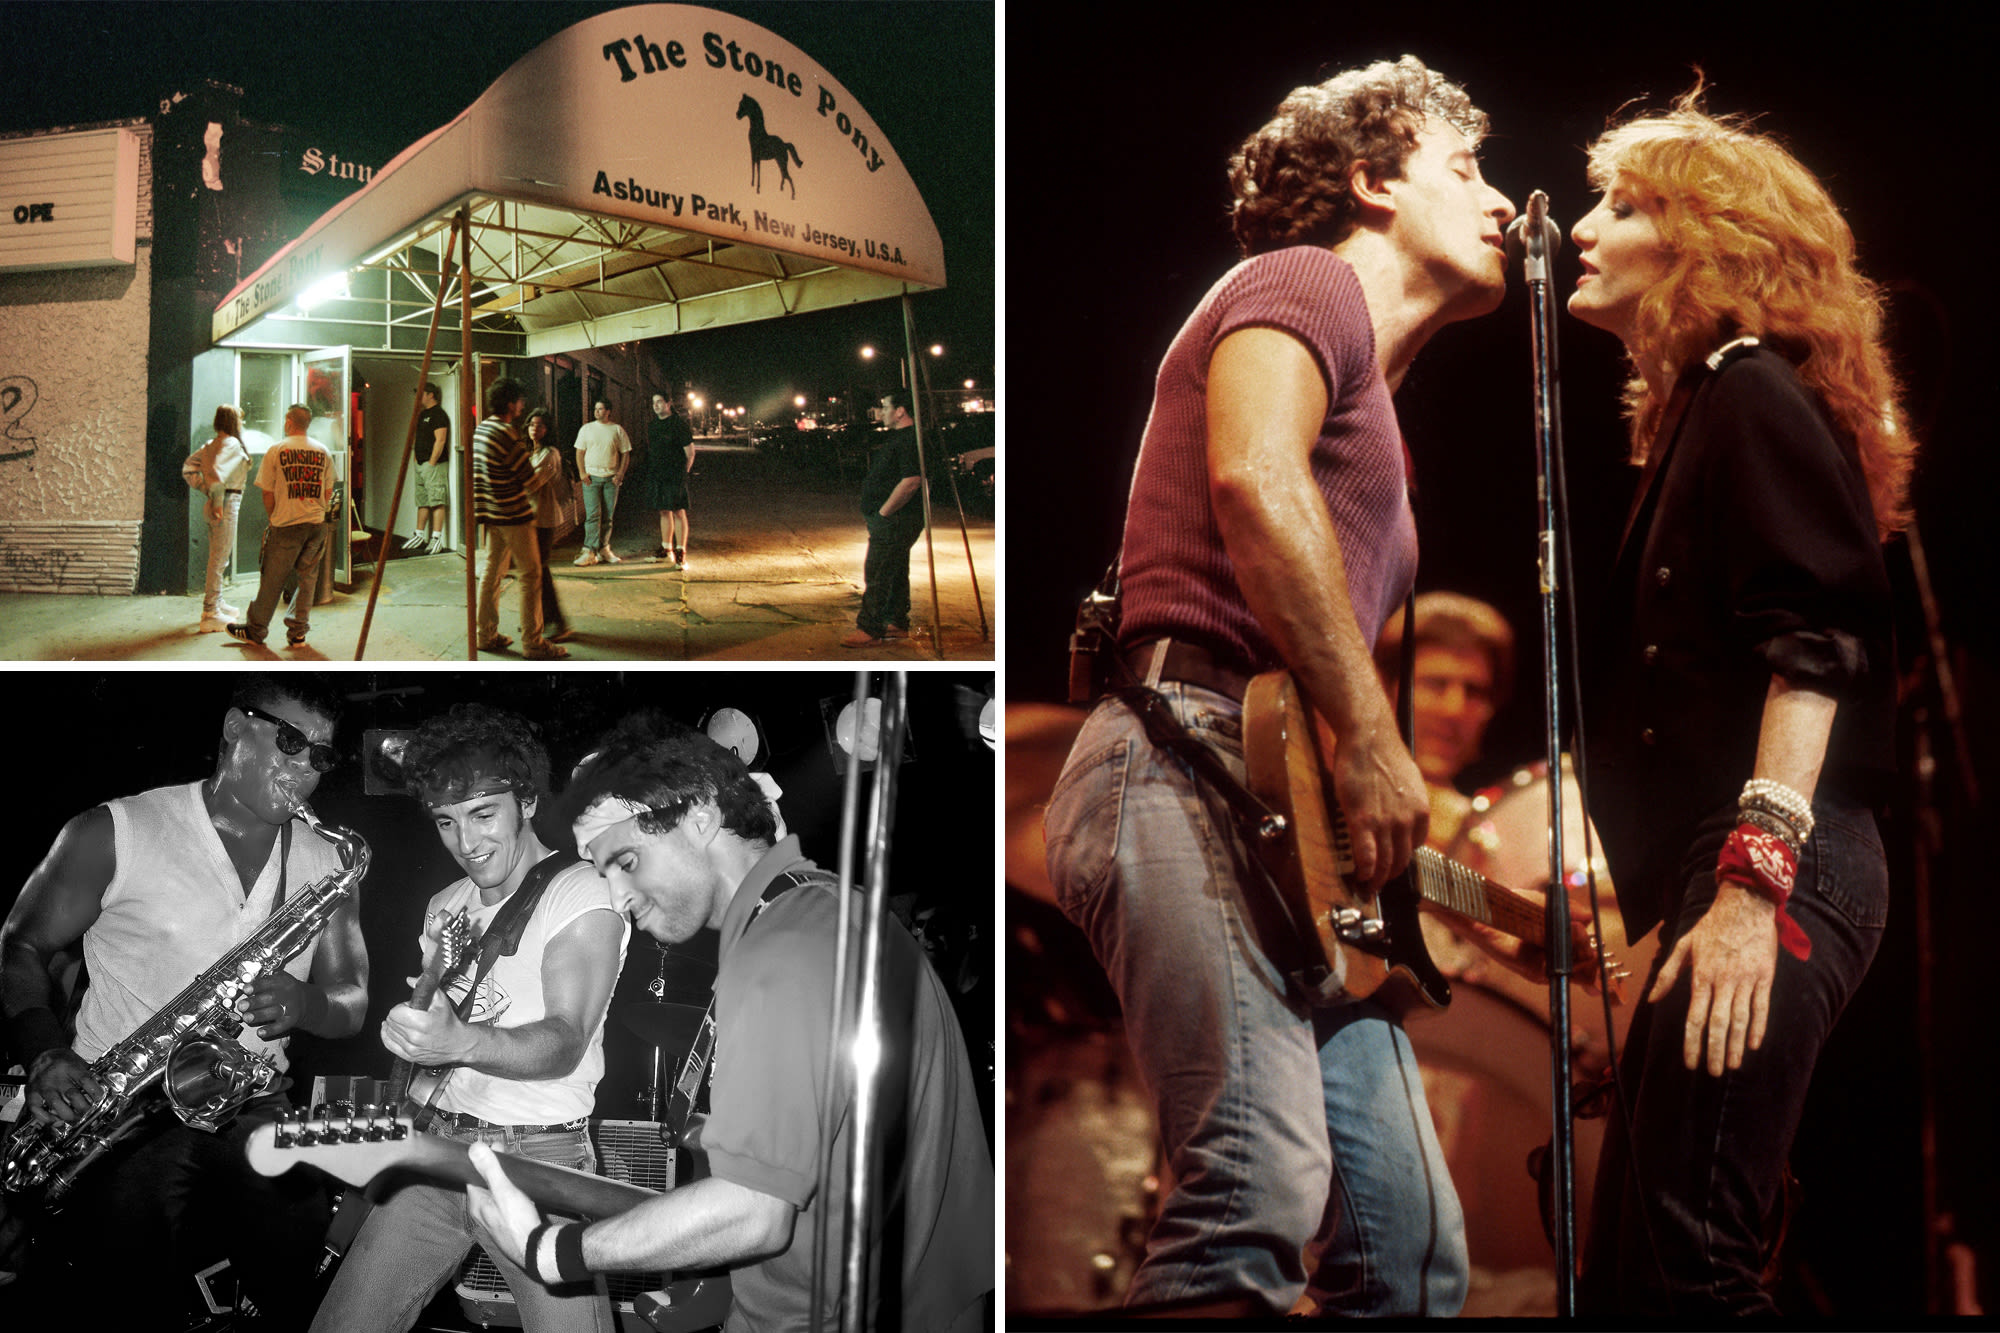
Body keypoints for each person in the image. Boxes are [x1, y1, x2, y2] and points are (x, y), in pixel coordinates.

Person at [1041, 56, 1520, 1317]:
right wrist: (1372, 741)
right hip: (1181, 757)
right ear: (1370, 182)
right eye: (1463, 168)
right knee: (1247, 1197)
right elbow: (1255, 483)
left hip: (1270, 808)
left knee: (1410, 1258)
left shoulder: (1383, 415)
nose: (1498, 200)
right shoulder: (1298, 282)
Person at [1559, 86, 1912, 1316]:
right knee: (1633, 1279)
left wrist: (1752, 882)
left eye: (1621, 203)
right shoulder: (1709, 407)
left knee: (1689, 1262)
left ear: (1703, 244)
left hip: (1780, 863)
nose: (1582, 227)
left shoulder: (1749, 388)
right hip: (1731, 871)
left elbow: (1813, 644)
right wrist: (1668, 932)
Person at [460, 715, 993, 1332]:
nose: (617, 898)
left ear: (701, 816)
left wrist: (548, 1250)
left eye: (626, 861)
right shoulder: (830, 913)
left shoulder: (784, 950)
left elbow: (753, 1212)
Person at [0, 678, 368, 1327]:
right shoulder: (118, 827)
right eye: (290, 741)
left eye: (321, 756)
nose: (305, 769)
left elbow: (352, 999)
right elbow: (22, 943)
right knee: (125, 1282)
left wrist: (307, 1002)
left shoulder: (330, 862)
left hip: (249, 1102)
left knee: (298, 1250)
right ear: (234, 727)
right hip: (115, 1106)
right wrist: (43, 1051)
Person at [309, 703, 630, 1333]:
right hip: (440, 1149)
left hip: (539, 1159)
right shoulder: (444, 904)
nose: (466, 843)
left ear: (528, 801)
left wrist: (459, 1038)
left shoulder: (582, 890)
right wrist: (414, 1040)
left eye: (484, 814)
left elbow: (563, 1042)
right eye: (446, 822)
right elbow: (435, 1046)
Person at [1372, 590, 1515, 848]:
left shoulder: (1499, 835)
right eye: (1435, 684)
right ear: (1384, 690)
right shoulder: (1340, 800)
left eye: (1474, 691)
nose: (1454, 710)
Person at [474, 378, 569, 661]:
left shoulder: (481, 430)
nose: (522, 406)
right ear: (510, 403)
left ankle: (486, 634)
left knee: (492, 573)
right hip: (514, 515)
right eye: (520, 401)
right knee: (531, 575)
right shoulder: (507, 433)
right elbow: (529, 480)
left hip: (491, 514)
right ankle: (534, 642)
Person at [227, 403, 332, 649]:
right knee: (308, 580)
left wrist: (274, 518)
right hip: (316, 524)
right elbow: (327, 491)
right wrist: (317, 510)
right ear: (307, 424)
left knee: (273, 579)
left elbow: (267, 492)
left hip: (286, 524)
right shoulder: (323, 451)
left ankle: (255, 630)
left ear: (288, 422)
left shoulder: (276, 450)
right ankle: (298, 633)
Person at [840, 388, 925, 648]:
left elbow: (912, 481)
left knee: (876, 571)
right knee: (896, 570)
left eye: (886, 406)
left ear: (900, 411)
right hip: (895, 519)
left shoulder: (910, 439)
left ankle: (869, 628)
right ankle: (897, 622)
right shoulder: (901, 437)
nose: (881, 412)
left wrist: (884, 513)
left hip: (896, 520)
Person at [193, 403, 250, 632]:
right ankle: (210, 612)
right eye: (239, 419)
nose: (242, 424)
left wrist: (205, 489)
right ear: (232, 421)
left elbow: (190, 468)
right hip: (226, 503)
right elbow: (218, 475)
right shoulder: (232, 443)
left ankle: (216, 602)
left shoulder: (210, 445)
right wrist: (217, 499)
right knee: (219, 559)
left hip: (216, 502)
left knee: (217, 557)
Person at [525, 408, 575, 645]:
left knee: (541, 570)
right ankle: (541, 619)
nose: (535, 428)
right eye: (532, 424)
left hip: (544, 519)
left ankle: (559, 623)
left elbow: (532, 484)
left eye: (540, 425)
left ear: (548, 430)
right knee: (535, 571)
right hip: (530, 518)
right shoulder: (530, 452)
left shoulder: (549, 454)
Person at [571, 400, 630, 567]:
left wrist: (620, 474)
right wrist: (582, 473)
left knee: (608, 516)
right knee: (593, 515)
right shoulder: (587, 429)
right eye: (595, 409)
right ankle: (589, 550)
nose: (597, 412)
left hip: (611, 479)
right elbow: (580, 452)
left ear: (608, 411)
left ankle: (604, 549)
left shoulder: (617, 430)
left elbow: (625, 453)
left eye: (601, 409)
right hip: (591, 479)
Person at [642, 393, 696, 568]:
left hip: (675, 475)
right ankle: (666, 549)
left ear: (668, 403)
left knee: (678, 511)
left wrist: (683, 473)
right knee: (663, 510)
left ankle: (681, 552)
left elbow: (690, 453)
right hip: (657, 474)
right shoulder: (652, 426)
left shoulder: (679, 425)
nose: (656, 405)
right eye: (653, 402)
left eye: (659, 402)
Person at [409, 382, 452, 554]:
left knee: (437, 499)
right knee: (423, 500)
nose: (418, 397)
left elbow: (440, 440)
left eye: (421, 394)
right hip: (420, 464)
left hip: (433, 465)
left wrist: (432, 462)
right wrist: (416, 458)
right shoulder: (422, 415)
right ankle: (419, 535)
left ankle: (436, 538)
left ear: (431, 395)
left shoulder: (439, 415)